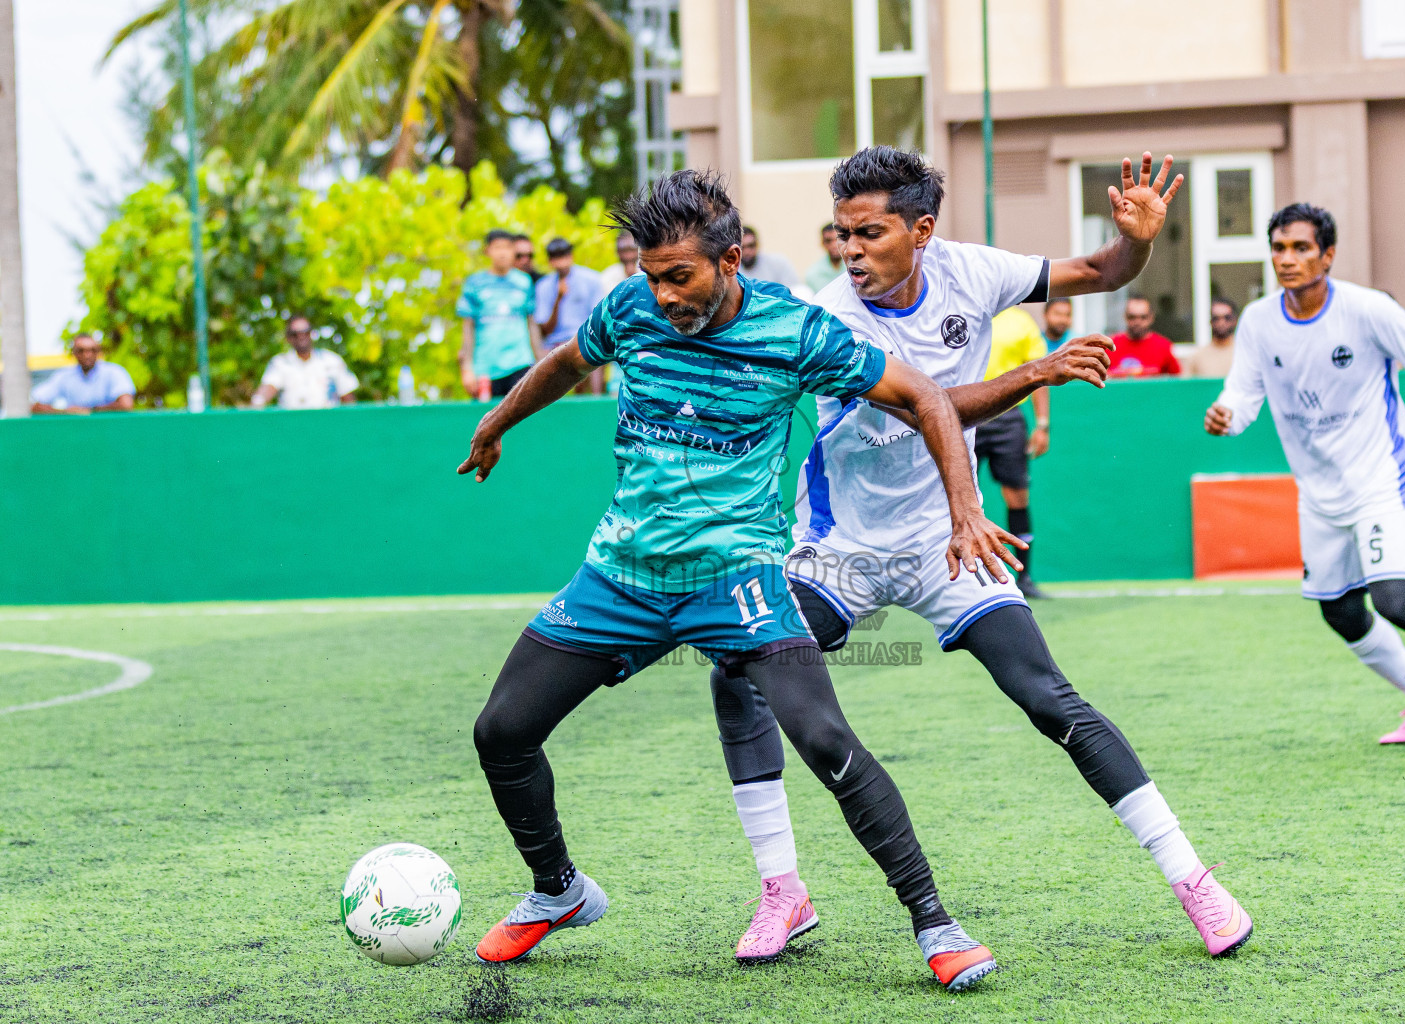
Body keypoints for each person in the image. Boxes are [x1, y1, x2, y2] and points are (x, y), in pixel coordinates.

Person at [459, 169, 1025, 992]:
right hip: (622, 574)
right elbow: (563, 359)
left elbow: (926, 397)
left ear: (730, 261)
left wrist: (964, 506)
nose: (660, 296)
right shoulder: (631, 306)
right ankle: (559, 892)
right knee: (501, 731)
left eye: (678, 277)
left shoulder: (796, 331)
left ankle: (936, 923)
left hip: (739, 579)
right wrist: (497, 418)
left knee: (826, 741)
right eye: (649, 277)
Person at [712, 147, 1253, 967]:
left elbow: (1104, 270)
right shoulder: (828, 317)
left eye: (870, 232)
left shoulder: (973, 272)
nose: (851, 250)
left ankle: (1194, 879)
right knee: (735, 673)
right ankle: (783, 892)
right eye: (842, 234)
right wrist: (1035, 372)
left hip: (949, 543)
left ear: (922, 230)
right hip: (840, 553)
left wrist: (1139, 242)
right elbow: (923, 405)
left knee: (1050, 698)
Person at [1204, 202, 1405, 744]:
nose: (1287, 259)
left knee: (1397, 602)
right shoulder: (1259, 320)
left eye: (1301, 248)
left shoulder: (1367, 310)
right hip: (1318, 492)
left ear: (1328, 255)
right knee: (1339, 610)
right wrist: (1227, 417)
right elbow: (1242, 394)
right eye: (1279, 248)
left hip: (1383, 478)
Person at [973, 303, 1051, 598]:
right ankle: (963, 580)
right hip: (965, 414)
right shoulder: (965, 313)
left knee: (1017, 497)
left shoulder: (1021, 323)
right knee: (958, 497)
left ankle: (1024, 577)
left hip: (1008, 418)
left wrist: (1042, 424)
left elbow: (1039, 375)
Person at [458, 229, 542, 400]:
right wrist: (466, 369)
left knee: (523, 419)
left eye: (507, 247)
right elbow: (468, 328)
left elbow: (531, 324)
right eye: (497, 247)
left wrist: (540, 363)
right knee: (488, 422)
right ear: (487, 251)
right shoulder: (474, 283)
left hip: (520, 364)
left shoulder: (524, 282)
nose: (502, 252)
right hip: (485, 369)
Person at [535, 237, 606, 395]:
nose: (561, 261)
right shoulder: (543, 285)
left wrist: (580, 342)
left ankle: (596, 399)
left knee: (597, 352)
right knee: (542, 360)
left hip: (584, 339)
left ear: (571, 256)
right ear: (550, 261)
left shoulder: (591, 279)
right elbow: (546, 329)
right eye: (556, 257)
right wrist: (558, 299)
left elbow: (597, 319)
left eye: (564, 255)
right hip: (555, 344)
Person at [251, 316, 358, 409]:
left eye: (305, 332)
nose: (301, 337)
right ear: (288, 338)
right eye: (295, 334)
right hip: (293, 426)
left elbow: (348, 398)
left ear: (311, 334)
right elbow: (268, 388)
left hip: (327, 425)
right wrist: (257, 403)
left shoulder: (331, 360)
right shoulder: (281, 363)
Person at [30, 333, 135, 414]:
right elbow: (35, 405)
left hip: (108, 431)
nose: (87, 355)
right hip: (76, 432)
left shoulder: (114, 372)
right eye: (81, 350)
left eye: (92, 350)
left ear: (98, 352)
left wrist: (90, 410)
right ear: (74, 352)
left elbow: (126, 404)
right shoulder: (63, 376)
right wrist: (66, 412)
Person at [1109, 295, 1180, 376]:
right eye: (1132, 317)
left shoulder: (1163, 346)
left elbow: (1176, 380)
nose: (1137, 322)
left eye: (1143, 317)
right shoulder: (1111, 345)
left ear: (1151, 318)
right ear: (1125, 317)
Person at [1185, 297, 1238, 378]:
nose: (1221, 323)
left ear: (1235, 321)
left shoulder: (1245, 354)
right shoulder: (1197, 357)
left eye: (1227, 318)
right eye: (1216, 318)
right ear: (1210, 322)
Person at [802, 222, 843, 292]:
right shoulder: (813, 274)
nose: (834, 245)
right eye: (828, 241)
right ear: (822, 243)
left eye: (838, 239)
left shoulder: (856, 267)